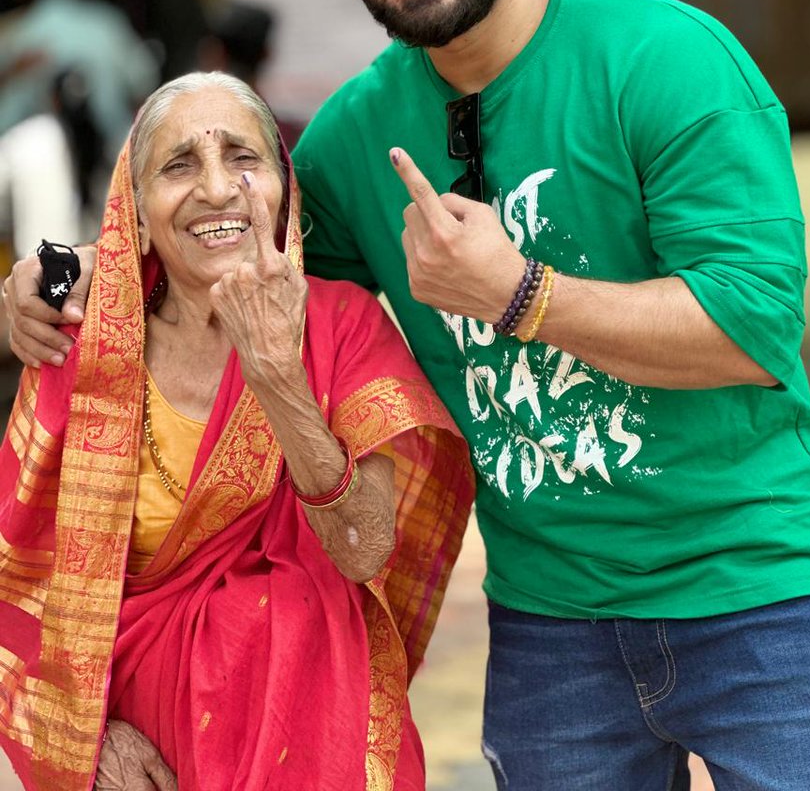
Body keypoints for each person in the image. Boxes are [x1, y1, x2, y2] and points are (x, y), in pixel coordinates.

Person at [6, 0, 810, 789]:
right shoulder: (352, 138)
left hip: (762, 597)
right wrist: (52, 283)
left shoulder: (666, 61)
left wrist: (521, 295)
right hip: (550, 627)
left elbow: (754, 327)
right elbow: (222, 264)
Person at [0, 70, 473, 791]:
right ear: (136, 205)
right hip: (138, 761)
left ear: (284, 187)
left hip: (313, 745)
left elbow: (363, 549)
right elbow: (20, 578)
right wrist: (80, 739)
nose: (218, 189)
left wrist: (278, 378)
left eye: (244, 159)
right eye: (179, 164)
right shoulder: (80, 343)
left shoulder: (344, 325)